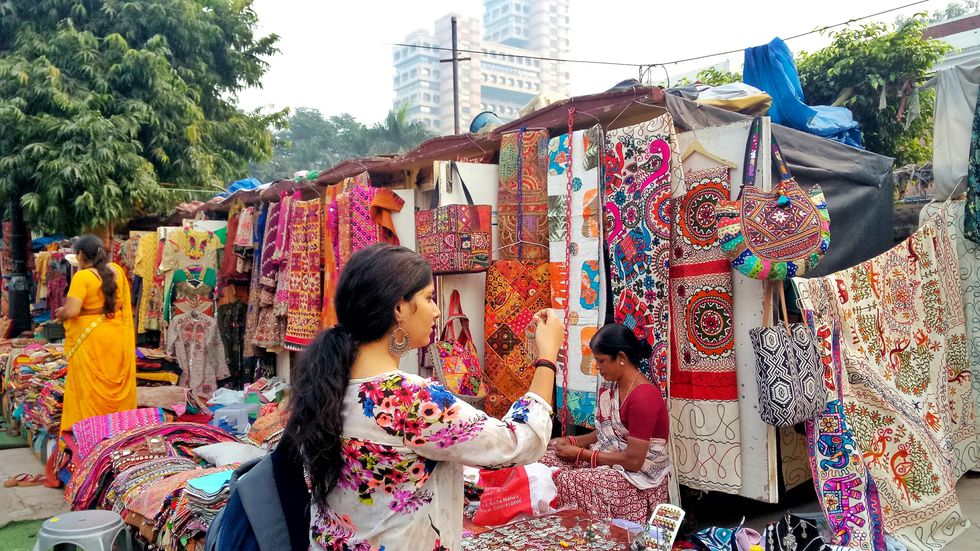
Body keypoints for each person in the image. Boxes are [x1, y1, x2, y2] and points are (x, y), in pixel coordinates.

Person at [286, 244, 562, 551]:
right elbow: (519, 441)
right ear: (399, 308)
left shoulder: (327, 383)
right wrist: (547, 357)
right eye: (429, 298)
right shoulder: (409, 400)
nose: (437, 310)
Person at [543, 323, 671, 524]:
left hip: (639, 479)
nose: (597, 366)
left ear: (621, 358)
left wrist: (580, 454)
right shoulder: (611, 386)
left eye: (601, 360)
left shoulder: (644, 397)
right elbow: (605, 432)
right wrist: (571, 440)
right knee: (545, 460)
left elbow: (634, 461)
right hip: (612, 460)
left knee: (567, 481)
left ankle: (589, 536)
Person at [55, 235, 137, 437]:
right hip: (115, 335)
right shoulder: (117, 271)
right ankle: (119, 432)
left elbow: (73, 311)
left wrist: (61, 313)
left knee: (89, 390)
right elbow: (121, 305)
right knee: (113, 383)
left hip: (90, 339)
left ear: (81, 255)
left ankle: (91, 434)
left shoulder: (82, 277)